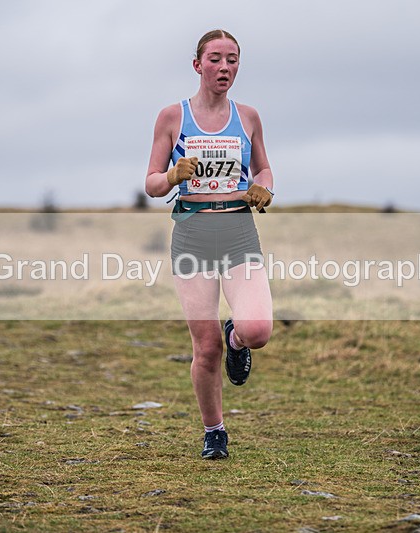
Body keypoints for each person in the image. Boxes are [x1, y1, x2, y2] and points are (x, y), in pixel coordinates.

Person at [145, 29, 274, 459]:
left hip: (238, 231)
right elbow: (151, 183)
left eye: (233, 59)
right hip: (193, 234)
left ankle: (236, 339)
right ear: (198, 65)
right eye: (216, 59)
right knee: (205, 348)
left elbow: (264, 172)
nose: (225, 67)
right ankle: (213, 431)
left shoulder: (249, 117)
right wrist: (173, 176)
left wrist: (263, 189)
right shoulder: (172, 117)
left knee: (257, 330)